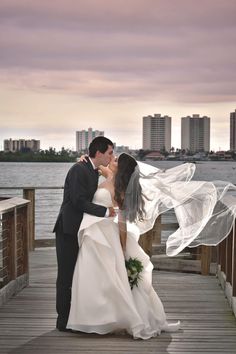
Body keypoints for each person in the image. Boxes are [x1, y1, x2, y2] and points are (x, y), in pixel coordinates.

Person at [66, 153, 180, 339]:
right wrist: (83, 159)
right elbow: (93, 165)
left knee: (109, 276)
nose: (113, 160)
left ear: (122, 169)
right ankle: (94, 318)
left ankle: (120, 316)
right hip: (93, 233)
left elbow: (121, 221)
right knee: (92, 275)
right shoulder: (109, 175)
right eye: (114, 157)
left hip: (107, 236)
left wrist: (122, 246)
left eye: (117, 160)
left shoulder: (120, 189)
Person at [53, 136, 116, 332]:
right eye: (110, 153)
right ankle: (62, 321)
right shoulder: (78, 169)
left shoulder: (91, 168)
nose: (112, 156)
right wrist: (106, 212)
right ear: (98, 153)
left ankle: (77, 317)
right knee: (66, 275)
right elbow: (78, 201)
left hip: (82, 230)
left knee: (80, 274)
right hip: (68, 230)